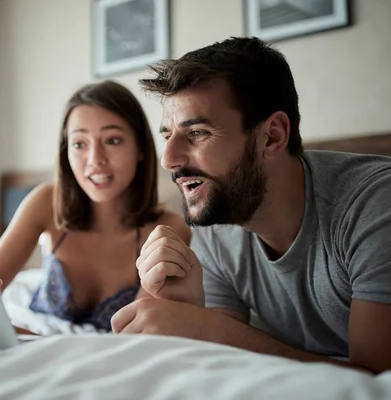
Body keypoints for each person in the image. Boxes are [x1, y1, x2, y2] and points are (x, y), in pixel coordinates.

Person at [110, 37, 391, 373]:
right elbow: (228, 365)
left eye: (197, 132)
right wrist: (187, 311)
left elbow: (377, 379)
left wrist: (207, 328)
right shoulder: (216, 228)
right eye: (167, 136)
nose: (168, 159)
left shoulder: (374, 205)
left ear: (272, 136)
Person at [0, 80, 190, 331]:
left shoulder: (169, 230)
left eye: (112, 140)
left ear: (140, 148)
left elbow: (136, 336)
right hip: (32, 336)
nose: (95, 160)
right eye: (79, 144)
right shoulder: (45, 201)